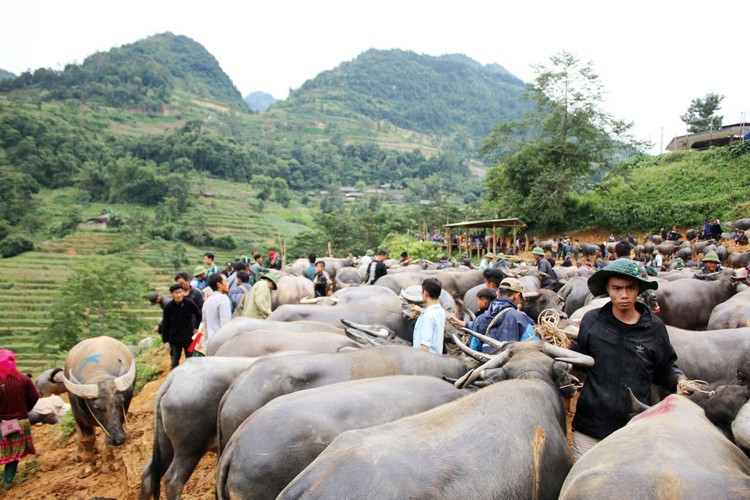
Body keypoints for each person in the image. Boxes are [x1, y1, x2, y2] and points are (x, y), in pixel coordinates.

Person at [568, 258, 687, 461]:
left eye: (630, 288)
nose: (623, 295)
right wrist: (567, 349)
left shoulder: (655, 328)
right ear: (607, 288)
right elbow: (582, 362)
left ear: (639, 289)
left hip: (634, 429)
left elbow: (665, 368)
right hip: (590, 427)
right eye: (617, 288)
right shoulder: (592, 321)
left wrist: (679, 380)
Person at [0, 350, 39, 490]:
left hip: (2, 423)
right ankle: (7, 482)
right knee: (14, 454)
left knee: (4, 453)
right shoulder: (24, 380)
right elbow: (34, 397)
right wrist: (24, 410)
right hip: (20, 423)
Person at [469, 278, 535, 352]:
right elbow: (534, 344)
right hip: (513, 362)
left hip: (488, 362)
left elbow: (473, 349)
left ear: (498, 294)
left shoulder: (479, 319)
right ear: (517, 296)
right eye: (520, 298)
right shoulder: (521, 318)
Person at [161, 283, 202, 369]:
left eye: (180, 292)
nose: (179, 295)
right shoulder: (168, 307)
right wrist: (165, 341)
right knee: (174, 363)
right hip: (174, 340)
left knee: (191, 361)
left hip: (188, 338)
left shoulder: (189, 303)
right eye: (176, 293)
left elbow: (198, 314)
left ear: (183, 292)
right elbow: (165, 324)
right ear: (172, 294)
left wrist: (195, 327)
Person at [410, 278, 445, 355]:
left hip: (425, 360)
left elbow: (425, 345)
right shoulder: (441, 311)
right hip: (436, 357)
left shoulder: (428, 316)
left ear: (425, 293)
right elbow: (432, 318)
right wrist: (422, 311)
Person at [200, 273, 232, 349]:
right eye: (226, 281)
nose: (228, 284)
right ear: (219, 284)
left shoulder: (207, 300)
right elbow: (225, 324)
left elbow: (205, 324)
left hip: (209, 343)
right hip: (220, 344)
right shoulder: (223, 299)